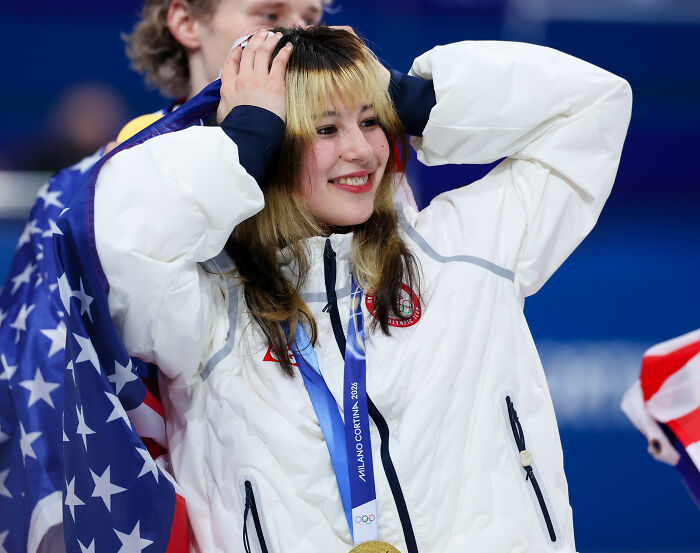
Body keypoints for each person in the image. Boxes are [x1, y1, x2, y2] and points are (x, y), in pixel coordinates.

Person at [82, 26, 632, 552]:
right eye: (325, 129)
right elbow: (119, 241)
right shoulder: (207, 312)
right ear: (273, 144)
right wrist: (240, 147)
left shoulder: (466, 251)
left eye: (372, 122)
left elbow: (592, 107)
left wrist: (418, 99)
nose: (364, 152)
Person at [0, 2, 326, 552]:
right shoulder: (81, 195)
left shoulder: (344, 181)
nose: (296, 35)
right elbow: (46, 408)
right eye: (269, 13)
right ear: (185, 22)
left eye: (311, 15)